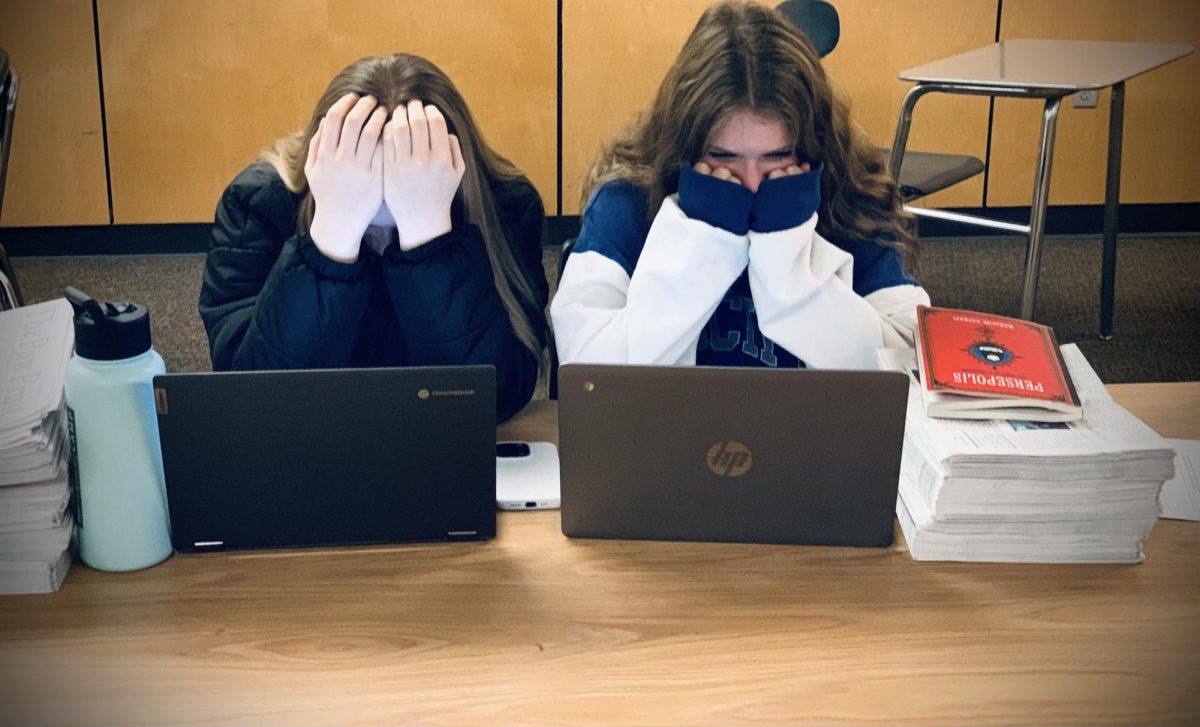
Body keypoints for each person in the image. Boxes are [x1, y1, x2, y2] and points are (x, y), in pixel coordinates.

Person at [550, 0, 930, 371]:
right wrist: (701, 240)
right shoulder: (629, 198)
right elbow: (585, 371)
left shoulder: (851, 198)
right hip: (670, 433)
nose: (750, 183)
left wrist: (788, 259)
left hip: (815, 434)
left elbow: (913, 366)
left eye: (776, 157)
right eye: (724, 158)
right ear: (686, 147)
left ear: (813, 147)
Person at [200, 54, 548, 421]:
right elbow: (254, 398)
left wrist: (430, 237)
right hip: (310, 445)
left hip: (441, 444)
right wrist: (331, 236)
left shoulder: (505, 205)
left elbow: (495, 399)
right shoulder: (257, 204)